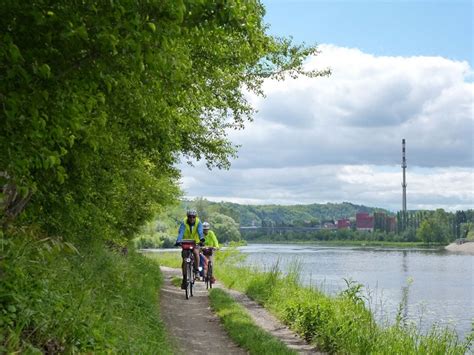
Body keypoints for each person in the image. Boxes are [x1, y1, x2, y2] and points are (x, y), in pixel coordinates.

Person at [175, 209, 205, 289]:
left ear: (195, 217)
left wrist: (202, 239)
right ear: (187, 217)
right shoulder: (184, 222)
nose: (192, 218)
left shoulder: (199, 222)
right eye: (190, 217)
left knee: (196, 252)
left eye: (193, 217)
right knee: (185, 259)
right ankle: (185, 279)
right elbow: (181, 232)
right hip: (185, 242)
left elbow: (200, 232)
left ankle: (197, 270)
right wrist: (178, 241)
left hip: (195, 242)